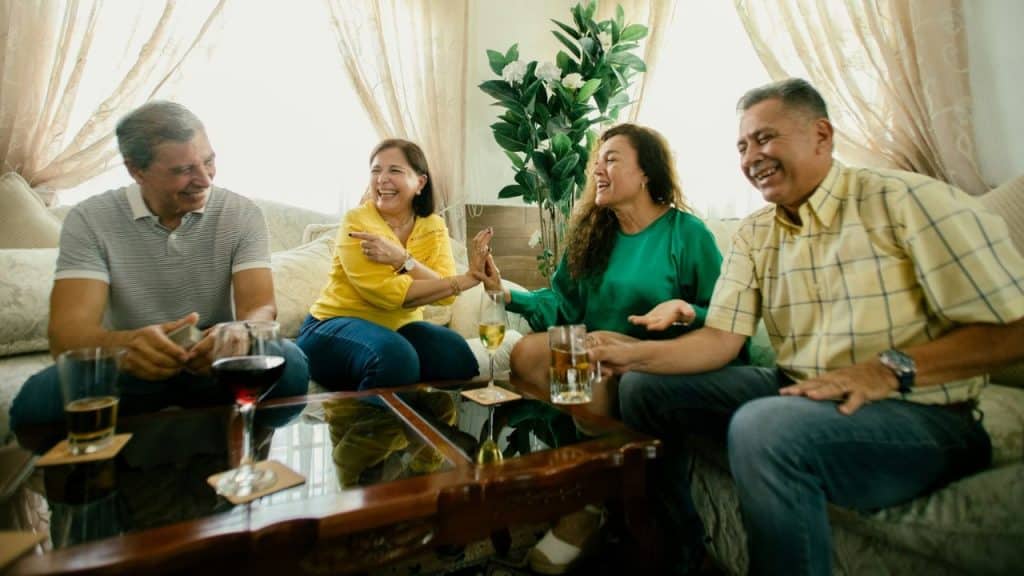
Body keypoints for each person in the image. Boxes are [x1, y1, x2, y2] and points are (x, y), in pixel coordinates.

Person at [591, 78, 1024, 575]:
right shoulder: (757, 232)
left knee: (764, 425)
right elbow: (721, 339)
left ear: (822, 135)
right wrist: (629, 355)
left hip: (923, 413)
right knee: (644, 389)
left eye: (766, 138)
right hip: (803, 390)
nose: (753, 156)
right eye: (742, 146)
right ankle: (676, 552)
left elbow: (1014, 328)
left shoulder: (904, 201)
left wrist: (887, 370)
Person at [475, 123, 726, 574]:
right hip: (590, 355)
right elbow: (562, 304)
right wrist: (507, 295)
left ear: (646, 172)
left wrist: (676, 316)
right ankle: (596, 492)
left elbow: (724, 315)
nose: (598, 170)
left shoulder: (687, 234)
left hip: (653, 363)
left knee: (578, 371)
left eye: (611, 159)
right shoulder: (593, 233)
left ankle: (587, 504)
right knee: (524, 354)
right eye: (597, 161)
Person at [9, 101, 310, 429]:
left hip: (217, 366)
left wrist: (241, 331)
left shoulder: (241, 214)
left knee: (291, 365)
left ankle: (248, 459)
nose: (204, 180)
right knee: (36, 404)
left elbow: (261, 306)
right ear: (135, 170)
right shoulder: (90, 219)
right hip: (131, 366)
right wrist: (127, 346)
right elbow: (67, 334)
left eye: (208, 162)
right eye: (183, 171)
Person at [297, 139, 488, 390]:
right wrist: (464, 280)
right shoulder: (357, 222)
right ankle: (370, 428)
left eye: (394, 170)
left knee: (453, 352)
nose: (381, 179)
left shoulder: (433, 226)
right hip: (330, 328)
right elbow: (386, 294)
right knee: (395, 356)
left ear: (420, 182)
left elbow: (444, 298)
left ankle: (436, 428)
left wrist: (402, 260)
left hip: (397, 331)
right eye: (376, 170)